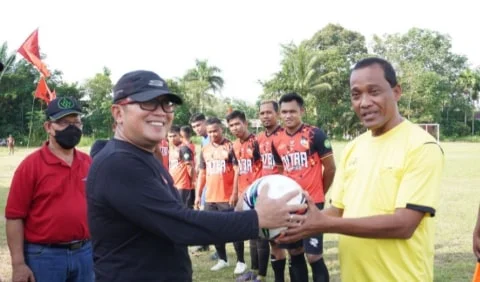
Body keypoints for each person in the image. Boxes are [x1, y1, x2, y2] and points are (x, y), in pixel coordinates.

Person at [86, 70, 306, 282]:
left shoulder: (141, 156)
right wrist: (256, 219)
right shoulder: (118, 163)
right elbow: (180, 225)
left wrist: (241, 209)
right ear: (118, 113)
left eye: (166, 104)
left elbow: (175, 217)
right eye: (148, 103)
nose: (161, 112)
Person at [277, 57, 445, 282]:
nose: (364, 102)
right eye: (356, 95)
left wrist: (326, 224)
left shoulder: (421, 146)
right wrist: (296, 223)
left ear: (396, 92)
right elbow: (338, 211)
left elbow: (404, 225)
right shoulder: (353, 148)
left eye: (374, 91)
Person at [5, 96, 93, 282]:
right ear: (48, 127)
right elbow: (14, 217)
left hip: (85, 253)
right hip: (44, 257)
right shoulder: (30, 166)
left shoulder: (88, 163)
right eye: (63, 122)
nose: (71, 128)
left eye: (76, 122)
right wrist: (18, 264)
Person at [271, 92, 336, 282]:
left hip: (313, 203)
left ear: (302, 111)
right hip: (290, 205)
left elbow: (331, 168)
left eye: (293, 111)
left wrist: (319, 194)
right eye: (284, 112)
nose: (288, 115)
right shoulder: (277, 139)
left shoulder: (315, 134)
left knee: (314, 255)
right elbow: (282, 171)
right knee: (295, 252)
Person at [194, 117, 248, 272]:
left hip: (227, 196)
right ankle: (223, 259)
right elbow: (202, 174)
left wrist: (234, 193)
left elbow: (238, 171)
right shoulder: (204, 150)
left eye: (215, 131)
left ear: (221, 130)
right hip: (210, 197)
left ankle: (241, 261)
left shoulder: (230, 146)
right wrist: (198, 196)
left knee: (234, 229)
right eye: (210, 132)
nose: (212, 134)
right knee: (214, 229)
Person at [227, 110, 270, 281]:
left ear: (245, 123)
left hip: (259, 193)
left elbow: (266, 166)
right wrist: (235, 192)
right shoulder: (235, 145)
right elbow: (238, 170)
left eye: (237, 123)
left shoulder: (257, 142)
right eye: (231, 125)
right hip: (244, 194)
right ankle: (253, 271)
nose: (235, 128)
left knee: (262, 235)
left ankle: (262, 274)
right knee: (251, 233)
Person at [257, 100, 287, 282]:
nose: (265, 116)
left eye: (269, 112)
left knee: (288, 241)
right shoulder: (259, 138)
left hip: (283, 191)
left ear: (277, 114)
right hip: (266, 192)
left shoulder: (285, 135)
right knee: (272, 240)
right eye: (262, 113)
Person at [189, 113, 212, 254]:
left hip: (213, 182)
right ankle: (205, 243)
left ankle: (207, 243)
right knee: (203, 211)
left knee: (207, 213)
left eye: (198, 125)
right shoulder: (203, 140)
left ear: (205, 122)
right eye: (194, 127)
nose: (197, 129)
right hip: (206, 180)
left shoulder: (211, 137)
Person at [167, 125, 195, 208]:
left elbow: (190, 166)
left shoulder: (183, 149)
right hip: (173, 185)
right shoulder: (171, 149)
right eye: (170, 136)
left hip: (183, 185)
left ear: (180, 135)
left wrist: (192, 182)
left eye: (174, 136)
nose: (172, 138)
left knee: (183, 209)